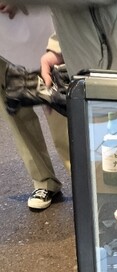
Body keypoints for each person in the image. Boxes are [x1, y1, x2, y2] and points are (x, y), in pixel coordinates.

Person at [0, 4, 70, 210]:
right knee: (14, 112)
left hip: (39, 24)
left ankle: (85, 180)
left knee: (61, 108)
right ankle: (43, 180)